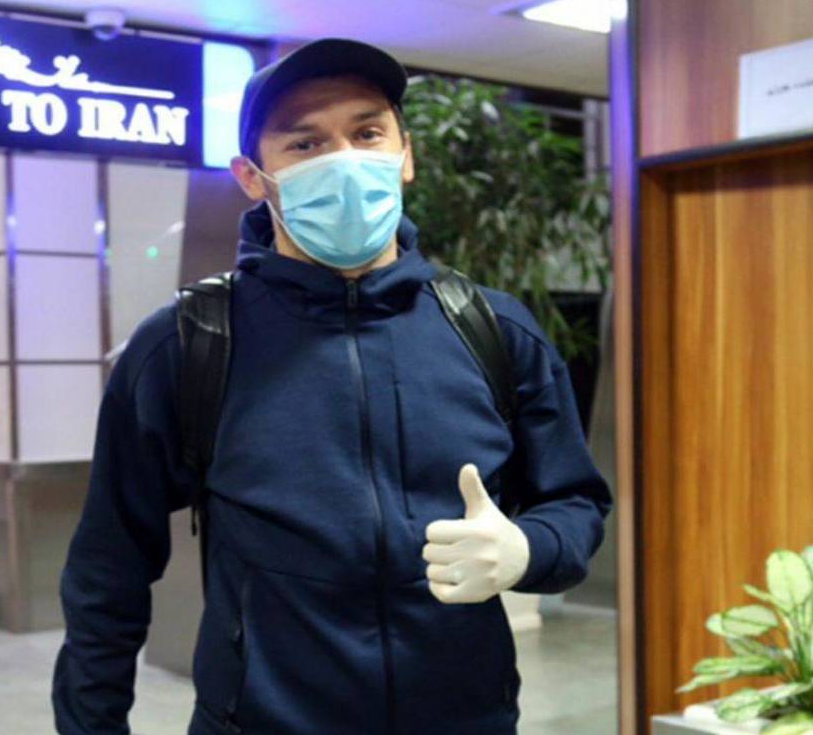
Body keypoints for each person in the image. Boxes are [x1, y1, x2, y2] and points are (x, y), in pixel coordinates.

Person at [52, 37, 613, 735]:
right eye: (306, 143)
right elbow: (108, 569)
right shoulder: (188, 344)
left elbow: (575, 501)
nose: (344, 160)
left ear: (405, 155)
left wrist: (529, 549)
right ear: (253, 177)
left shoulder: (491, 329)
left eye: (367, 133)